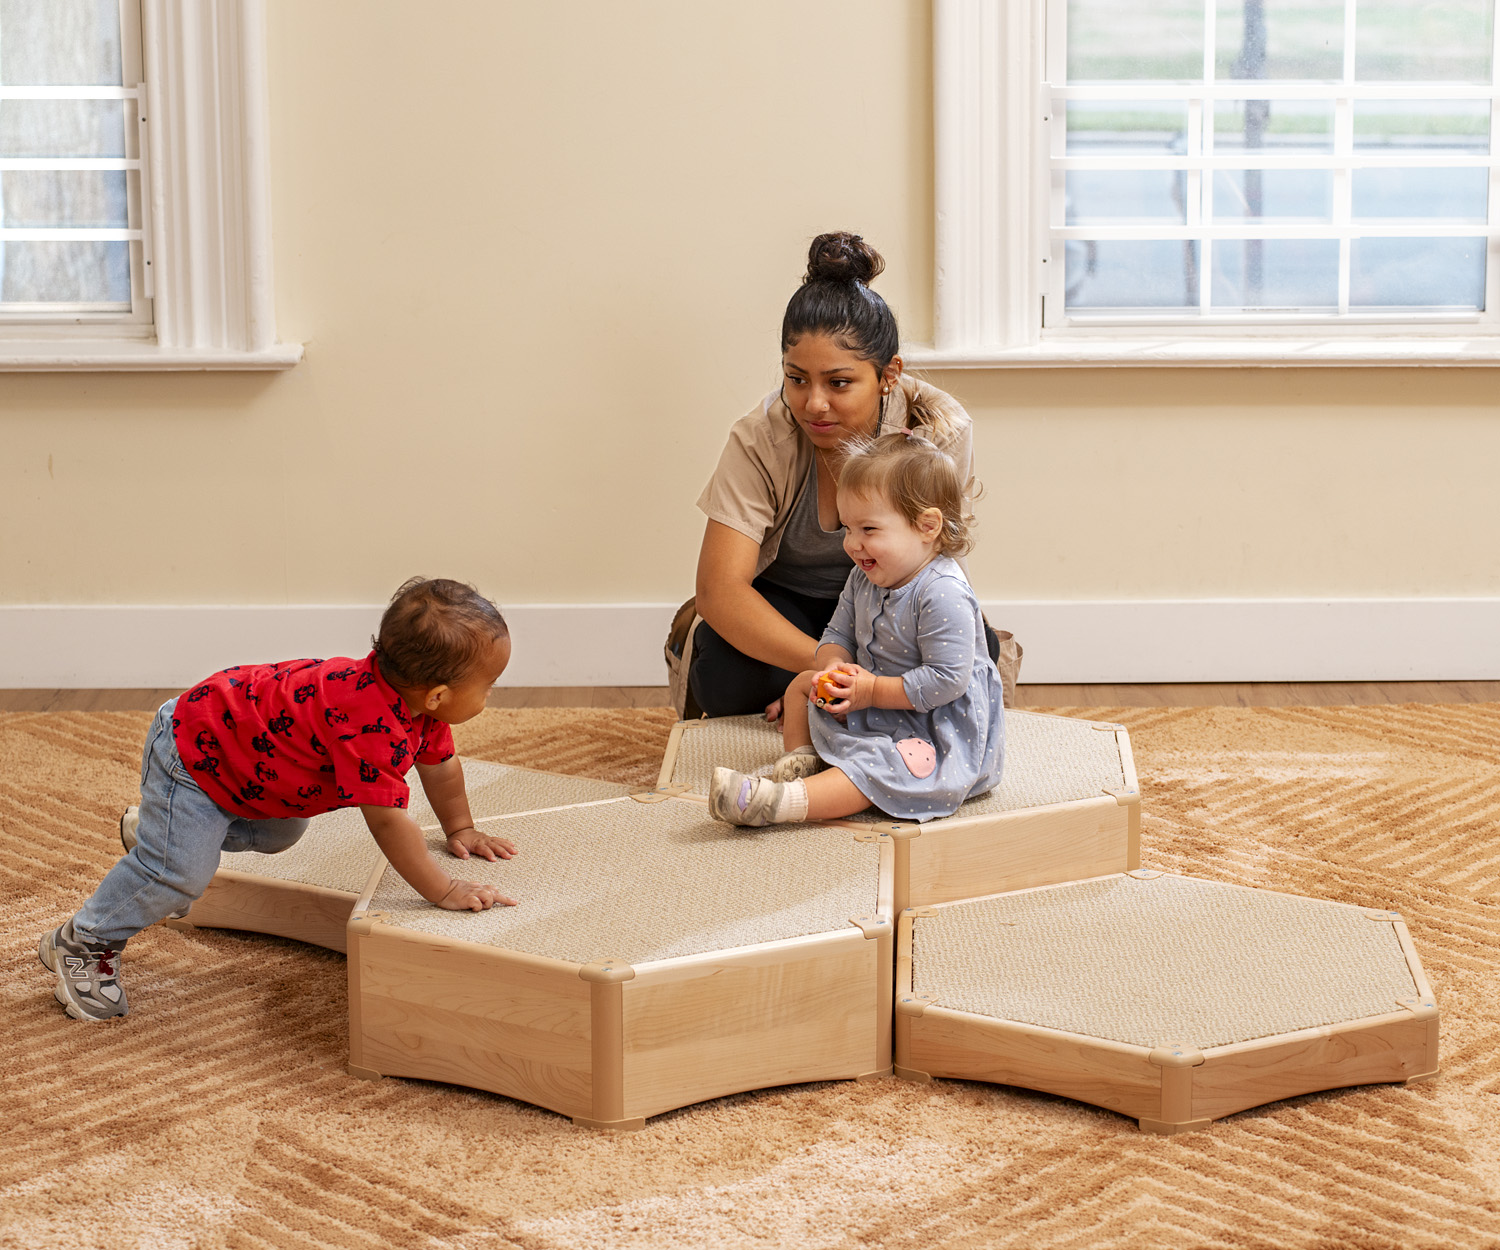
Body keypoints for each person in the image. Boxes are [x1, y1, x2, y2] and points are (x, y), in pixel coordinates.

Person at [38, 577, 519, 1022]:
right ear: (437, 695)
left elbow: (441, 767)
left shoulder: (419, 711)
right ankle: (86, 939)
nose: (491, 694)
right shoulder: (370, 724)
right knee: (179, 875)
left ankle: (165, 832)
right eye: (489, 686)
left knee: (282, 832)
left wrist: (461, 829)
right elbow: (390, 823)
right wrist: (443, 889)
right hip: (195, 750)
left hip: (246, 769)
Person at [682, 230, 1016, 722]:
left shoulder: (939, 431)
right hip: (789, 603)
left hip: (897, 597)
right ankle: (837, 696)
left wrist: (866, 675)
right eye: (796, 379)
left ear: (888, 375)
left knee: (973, 650)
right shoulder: (759, 439)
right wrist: (832, 667)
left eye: (839, 383)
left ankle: (818, 700)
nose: (813, 404)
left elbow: (935, 562)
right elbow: (719, 591)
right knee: (721, 673)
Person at [708, 432, 1004, 826]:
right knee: (801, 684)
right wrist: (832, 666)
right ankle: (801, 762)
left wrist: (872, 691)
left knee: (875, 764)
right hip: (874, 700)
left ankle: (785, 803)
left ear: (926, 526)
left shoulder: (942, 592)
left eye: (868, 530)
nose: (851, 544)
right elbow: (838, 635)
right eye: (847, 528)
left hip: (931, 724)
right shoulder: (863, 578)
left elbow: (946, 681)